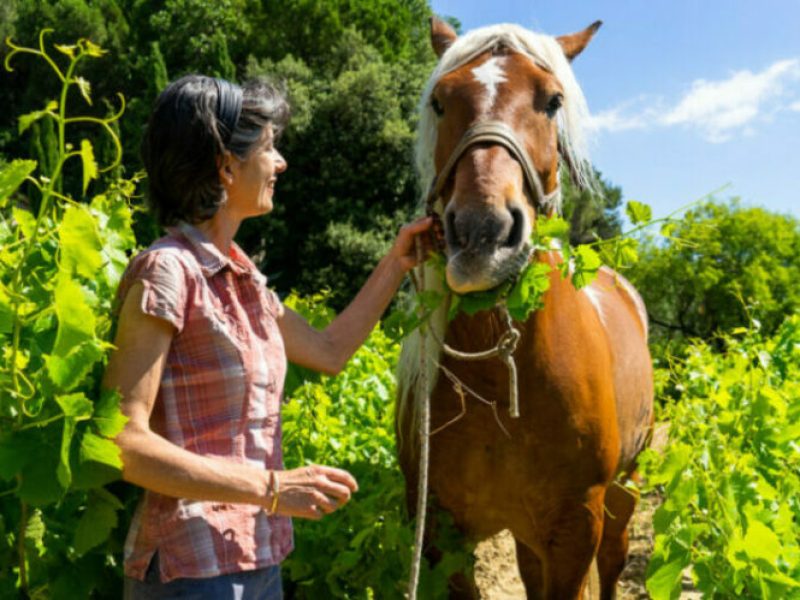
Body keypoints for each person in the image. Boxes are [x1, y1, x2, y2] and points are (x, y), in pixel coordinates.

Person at [103, 74, 431, 599]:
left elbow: (328, 351)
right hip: (192, 569)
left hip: (258, 555)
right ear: (224, 166)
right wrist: (273, 487)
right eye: (268, 148)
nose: (279, 163)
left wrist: (397, 261)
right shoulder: (167, 271)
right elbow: (122, 442)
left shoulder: (245, 279)